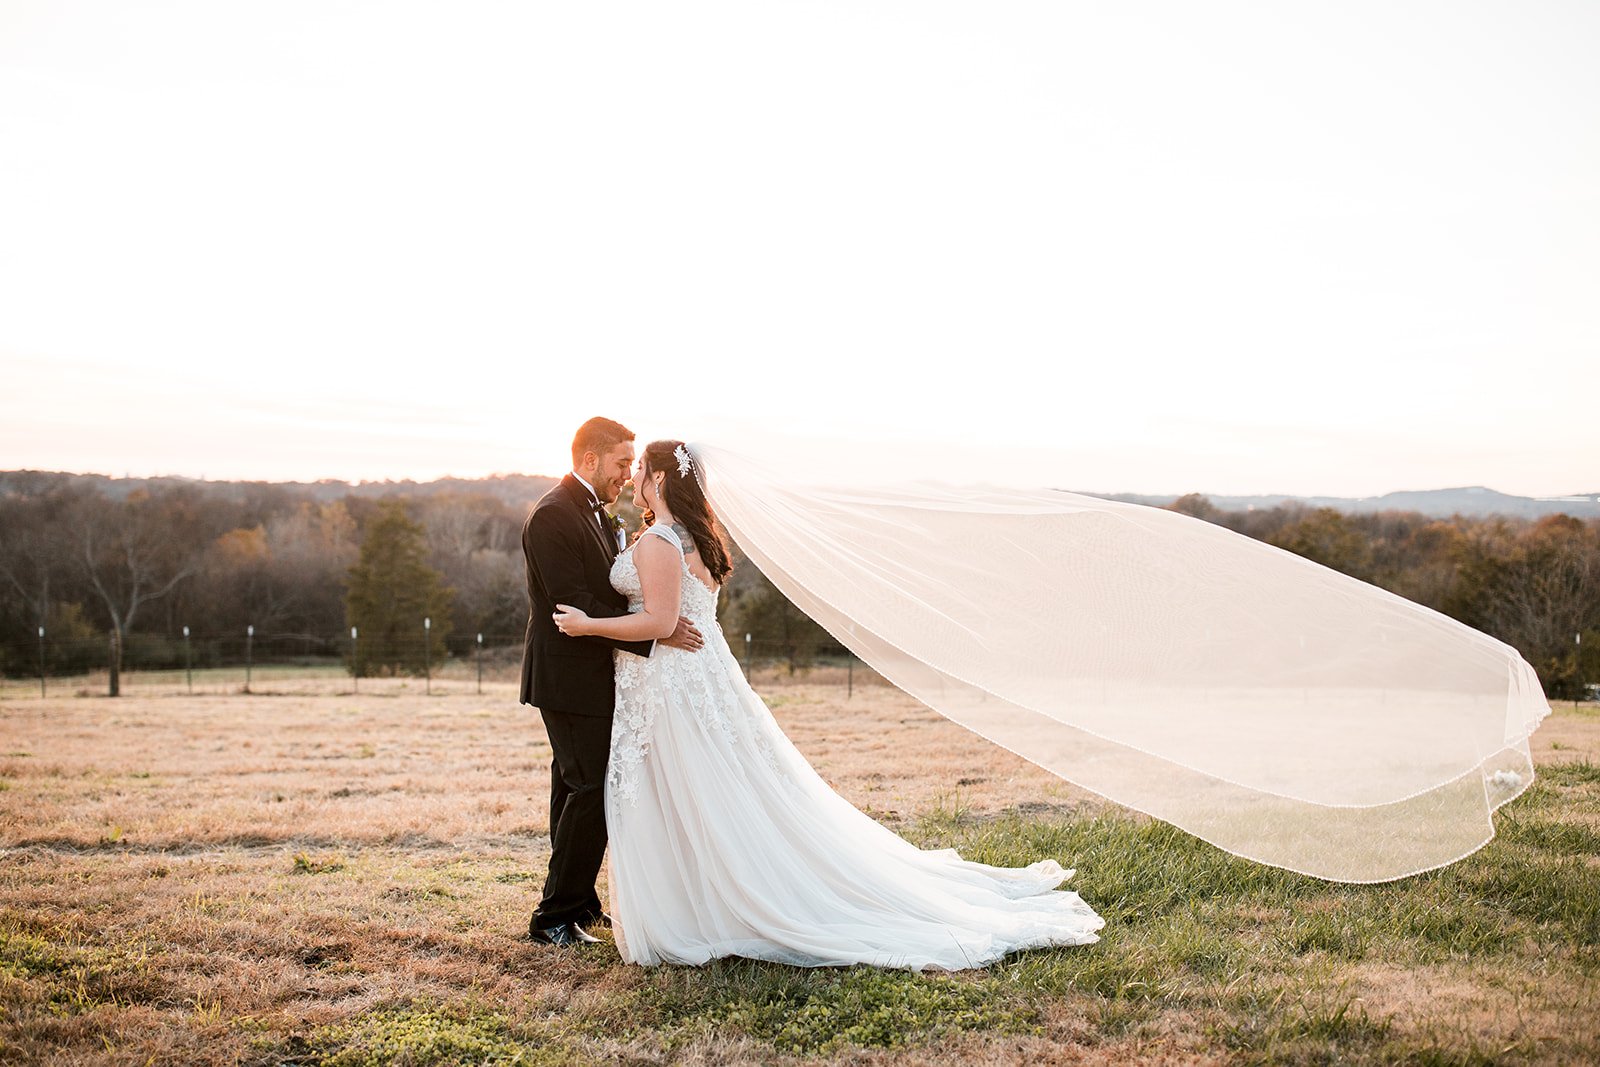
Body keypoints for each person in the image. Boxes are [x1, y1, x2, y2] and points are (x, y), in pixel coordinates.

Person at [552, 440, 1103, 970]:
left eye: (642, 468)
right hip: (698, 675)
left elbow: (662, 622)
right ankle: (712, 892)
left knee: (688, 787)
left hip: (670, 681)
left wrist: (587, 625)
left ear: (662, 478)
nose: (636, 479)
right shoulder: (695, 537)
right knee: (713, 786)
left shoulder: (660, 542)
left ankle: (707, 904)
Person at [520, 418, 703, 947]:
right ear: (590, 460)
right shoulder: (553, 515)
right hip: (567, 673)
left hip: (596, 671)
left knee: (573, 788)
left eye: (633, 464)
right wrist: (656, 634)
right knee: (589, 789)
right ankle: (554, 917)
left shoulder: (595, 512)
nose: (629, 473)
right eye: (623, 463)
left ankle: (577, 903)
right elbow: (571, 603)